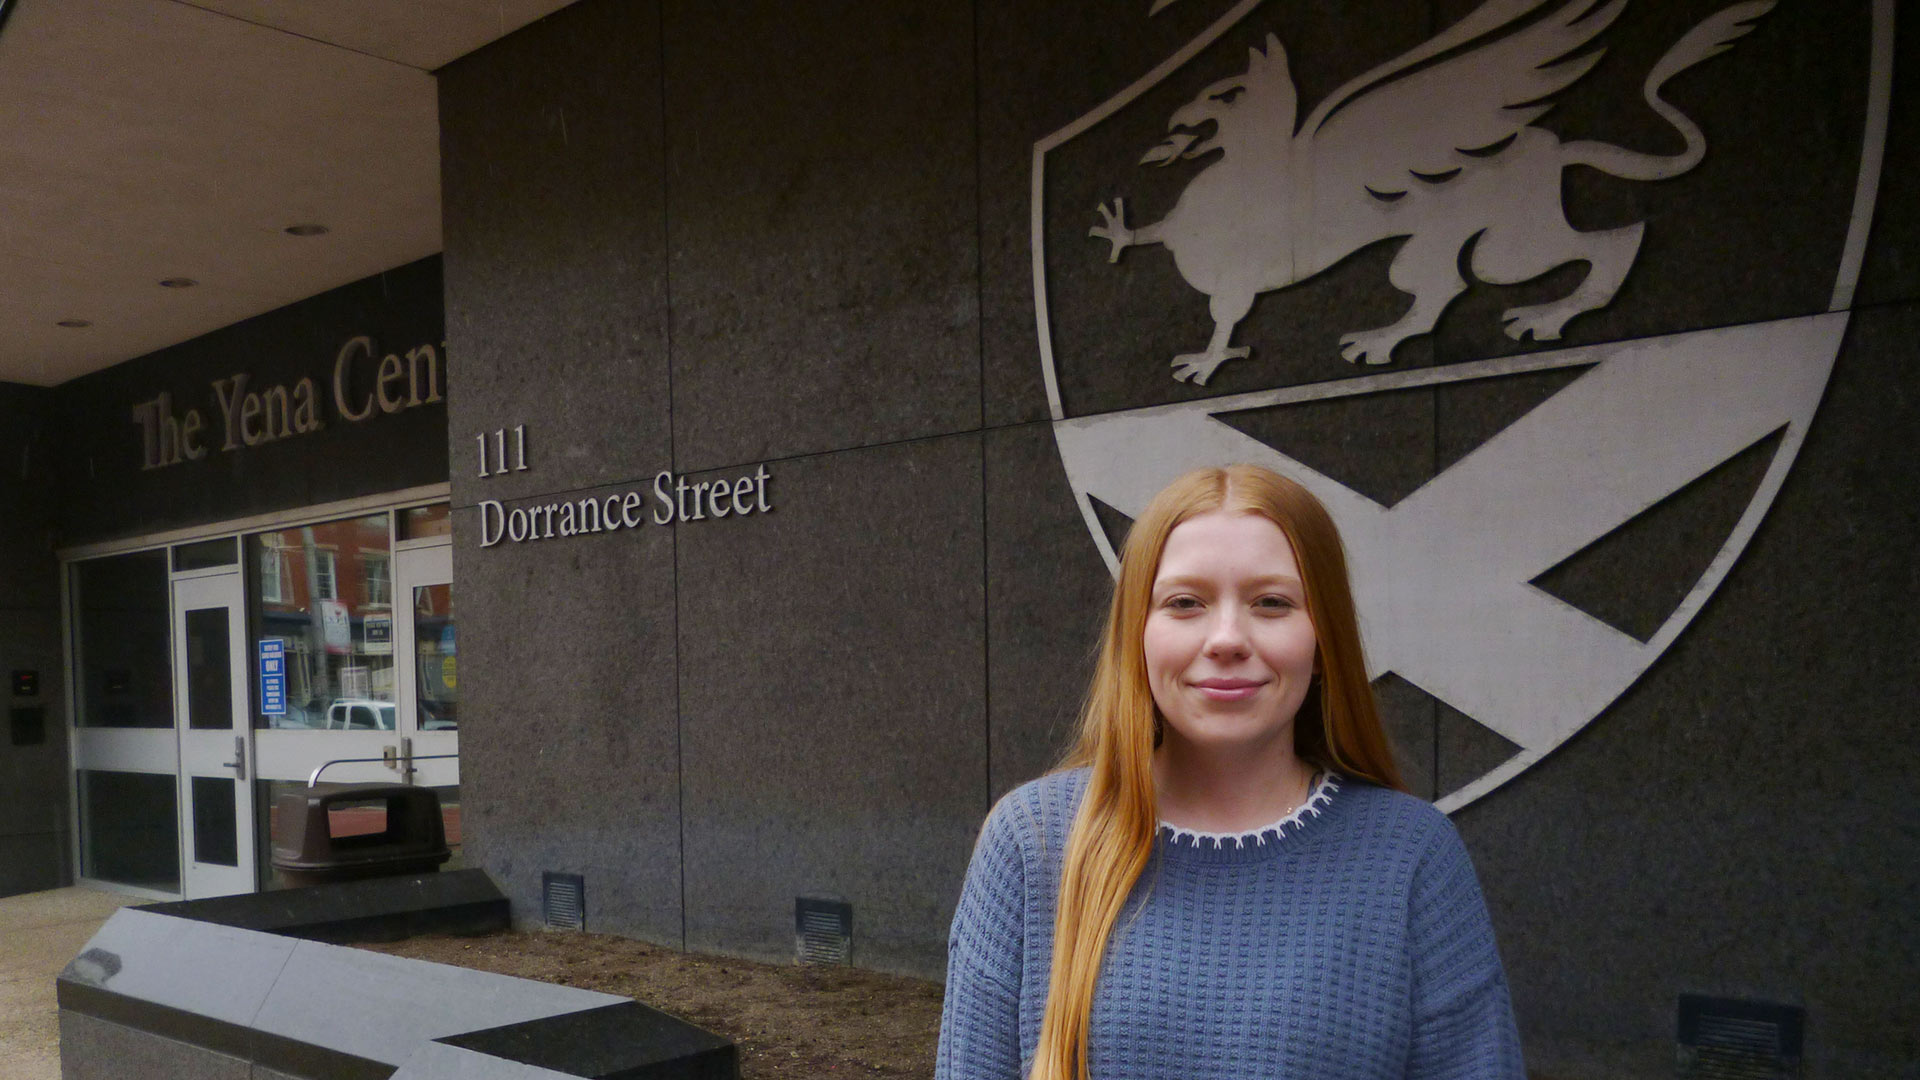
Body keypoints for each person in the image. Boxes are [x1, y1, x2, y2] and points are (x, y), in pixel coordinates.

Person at [936, 464, 1523, 1080]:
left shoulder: (1411, 856)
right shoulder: (1031, 842)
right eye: (1185, 603)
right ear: (1137, 634)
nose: (1226, 639)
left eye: (1272, 603)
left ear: (1323, 641)